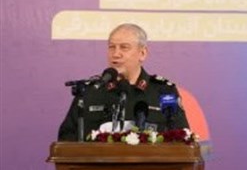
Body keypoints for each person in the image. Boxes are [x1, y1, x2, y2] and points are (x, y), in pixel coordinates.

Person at [57, 23, 189, 141]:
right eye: (111, 47)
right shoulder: (90, 91)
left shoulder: (164, 92)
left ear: (142, 53)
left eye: (124, 47)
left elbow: (182, 138)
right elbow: (66, 140)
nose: (116, 54)